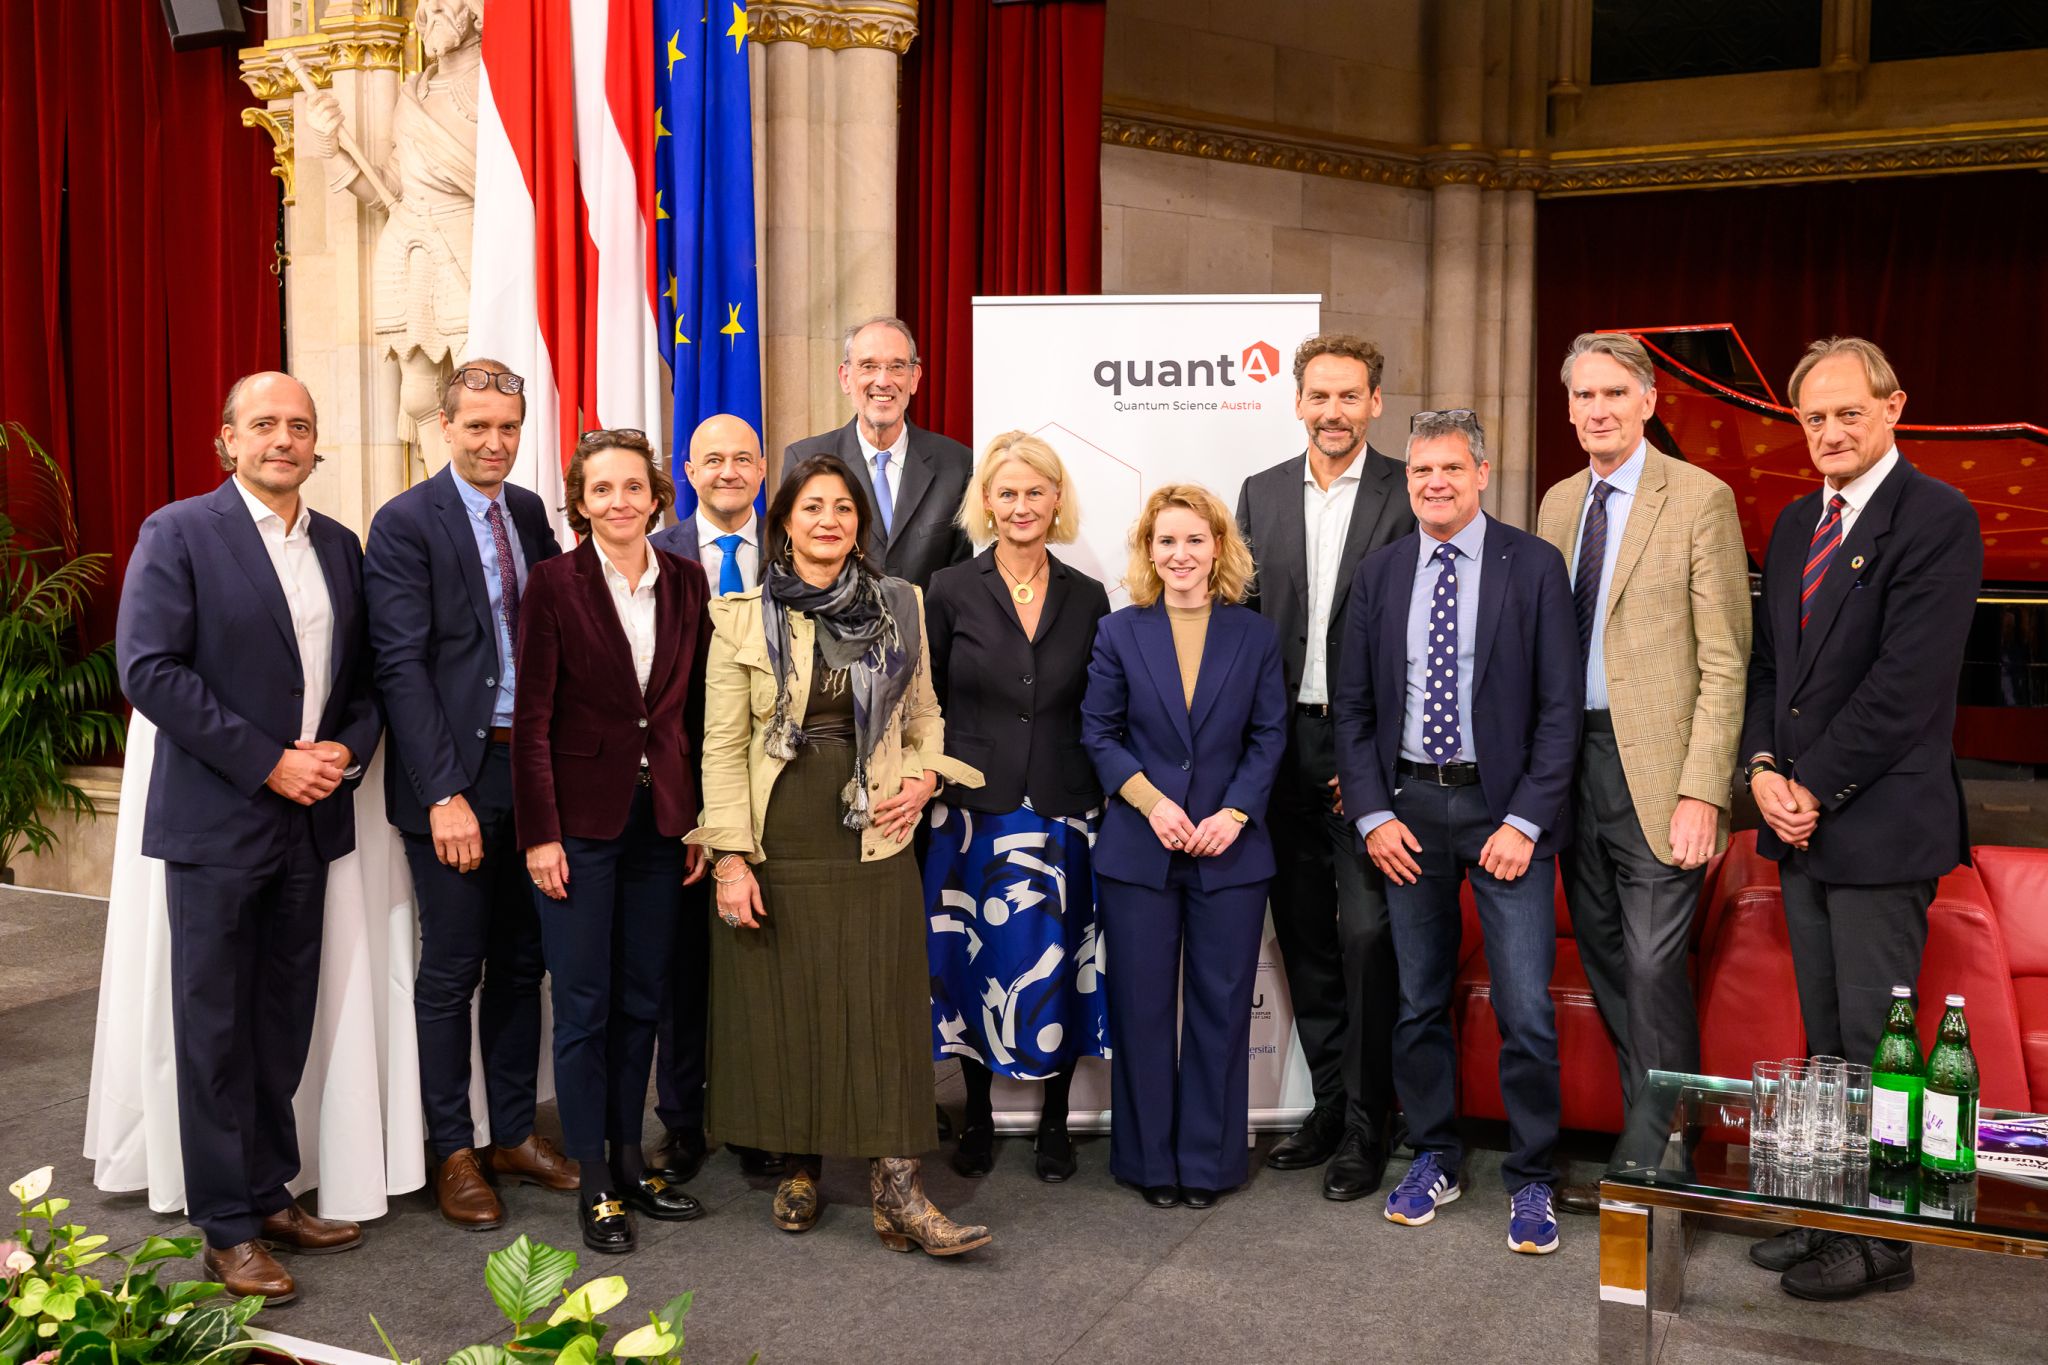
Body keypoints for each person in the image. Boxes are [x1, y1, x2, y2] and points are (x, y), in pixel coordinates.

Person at [115, 371, 383, 1301]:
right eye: (264, 423)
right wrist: (268, 759)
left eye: (300, 425)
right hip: (220, 821)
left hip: (310, 823)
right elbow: (150, 668)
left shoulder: (341, 547)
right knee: (215, 1028)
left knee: (281, 1022)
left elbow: (366, 680)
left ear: (317, 444)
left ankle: (269, 1193)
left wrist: (345, 746)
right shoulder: (180, 533)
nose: (284, 438)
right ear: (225, 440)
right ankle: (225, 1226)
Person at [687, 453, 990, 1255]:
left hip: (877, 830)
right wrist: (729, 857)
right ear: (784, 521)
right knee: (788, 1003)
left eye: (844, 508)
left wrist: (925, 779)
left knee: (884, 1007)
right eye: (812, 507)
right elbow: (721, 747)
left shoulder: (902, 604)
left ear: (861, 525)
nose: (829, 520)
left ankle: (900, 1188)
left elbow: (925, 717)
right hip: (779, 833)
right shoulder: (741, 614)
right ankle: (797, 1164)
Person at [1740, 337, 1981, 1300]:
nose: (1829, 432)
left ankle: (1889, 1238)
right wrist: (1760, 767)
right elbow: (1772, 672)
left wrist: (1809, 785)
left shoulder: (1939, 516)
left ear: (1893, 408)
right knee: (1825, 1040)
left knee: (1879, 1039)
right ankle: (1831, 1213)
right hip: (1802, 820)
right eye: (1813, 418)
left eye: (1848, 413)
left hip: (1878, 825)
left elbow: (1905, 688)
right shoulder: (1799, 519)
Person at [1333, 409, 1581, 1256]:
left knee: (1524, 1007)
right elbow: (1355, 707)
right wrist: (1372, 815)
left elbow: (1560, 713)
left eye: (1450, 468)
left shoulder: (1534, 565)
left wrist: (1522, 820)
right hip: (1407, 815)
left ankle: (1535, 1174)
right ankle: (1434, 1151)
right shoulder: (1380, 573)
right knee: (1416, 1000)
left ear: (1482, 472)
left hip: (1502, 814)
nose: (1434, 483)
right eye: (1420, 471)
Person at [1535, 333, 1752, 1214]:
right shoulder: (1555, 504)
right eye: (1583, 396)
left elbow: (1728, 659)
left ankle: (1658, 1155)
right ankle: (1659, 1133)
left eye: (1613, 394)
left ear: (1650, 400)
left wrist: (1706, 788)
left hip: (1661, 774)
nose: (1596, 411)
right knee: (1609, 958)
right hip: (1570, 769)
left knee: (1659, 963)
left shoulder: (1699, 498)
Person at [363, 360, 579, 1230]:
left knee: (526, 963)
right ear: (444, 426)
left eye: (509, 428)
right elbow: (400, 666)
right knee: (453, 969)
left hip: (531, 771)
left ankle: (514, 1133)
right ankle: (452, 1148)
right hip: (454, 777)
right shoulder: (405, 522)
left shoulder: (528, 512)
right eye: (478, 426)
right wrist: (443, 790)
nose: (495, 442)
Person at [513, 429, 714, 1254]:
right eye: (603, 489)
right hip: (579, 829)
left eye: (634, 487)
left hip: (662, 824)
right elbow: (530, 722)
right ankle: (594, 1176)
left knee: (643, 999)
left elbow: (693, 716)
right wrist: (539, 836)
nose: (620, 502)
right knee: (585, 1006)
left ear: (657, 497)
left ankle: (633, 1158)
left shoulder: (689, 581)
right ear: (581, 501)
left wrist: (700, 818)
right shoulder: (553, 585)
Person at [1235, 333, 1416, 1199]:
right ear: (1298, 402)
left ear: (1375, 403)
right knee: (1304, 935)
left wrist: (1372, 754)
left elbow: (1422, 639)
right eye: (1320, 396)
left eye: (1351, 396)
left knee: (1367, 936)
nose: (1334, 412)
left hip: (1367, 750)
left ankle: (1371, 1119)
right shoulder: (1260, 493)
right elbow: (1242, 627)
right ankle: (1334, 1103)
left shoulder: (1405, 491)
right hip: (1280, 749)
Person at [1081, 484, 1287, 1210]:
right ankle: (1148, 1161)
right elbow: (1099, 734)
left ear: (1219, 548)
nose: (1180, 555)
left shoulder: (1254, 636)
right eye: (1166, 541)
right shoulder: (1119, 632)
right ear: (1148, 551)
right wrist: (1151, 801)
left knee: (1222, 1007)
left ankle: (1208, 1163)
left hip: (1230, 851)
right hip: (1141, 848)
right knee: (1139, 1008)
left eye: (1194, 540)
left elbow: (1269, 737)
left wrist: (1234, 811)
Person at [924, 431, 1112, 1183]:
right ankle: (974, 1117)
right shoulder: (948, 589)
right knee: (971, 964)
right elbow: (925, 697)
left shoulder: (1088, 596)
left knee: (1060, 962)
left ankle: (1056, 1124)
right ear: (987, 503)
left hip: (1064, 808)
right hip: (971, 808)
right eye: (1008, 492)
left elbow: (1099, 705)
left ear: (1056, 499)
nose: (1022, 505)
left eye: (1036, 491)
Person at [646, 414, 782, 1183]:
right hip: (676, 789)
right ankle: (684, 1121)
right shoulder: (655, 555)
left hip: (774, 790)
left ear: (762, 467)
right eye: (712, 459)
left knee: (759, 959)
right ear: (688, 471)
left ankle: (759, 1115)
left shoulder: (799, 554)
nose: (728, 470)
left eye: (742, 457)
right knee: (681, 966)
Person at [779, 316, 971, 587]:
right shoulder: (805, 459)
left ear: (914, 378)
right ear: (846, 378)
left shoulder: (957, 464)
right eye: (868, 366)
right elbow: (789, 561)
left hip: (927, 628)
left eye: (896, 367)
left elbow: (963, 573)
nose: (883, 381)